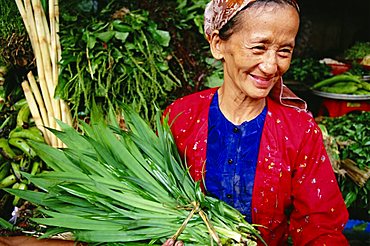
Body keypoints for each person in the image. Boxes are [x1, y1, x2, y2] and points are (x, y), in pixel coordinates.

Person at [163, 0, 349, 245]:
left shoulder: (299, 130)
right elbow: (157, 202)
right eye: (259, 48)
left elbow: (321, 226)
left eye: (284, 51)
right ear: (218, 44)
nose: (271, 66)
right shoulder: (181, 117)